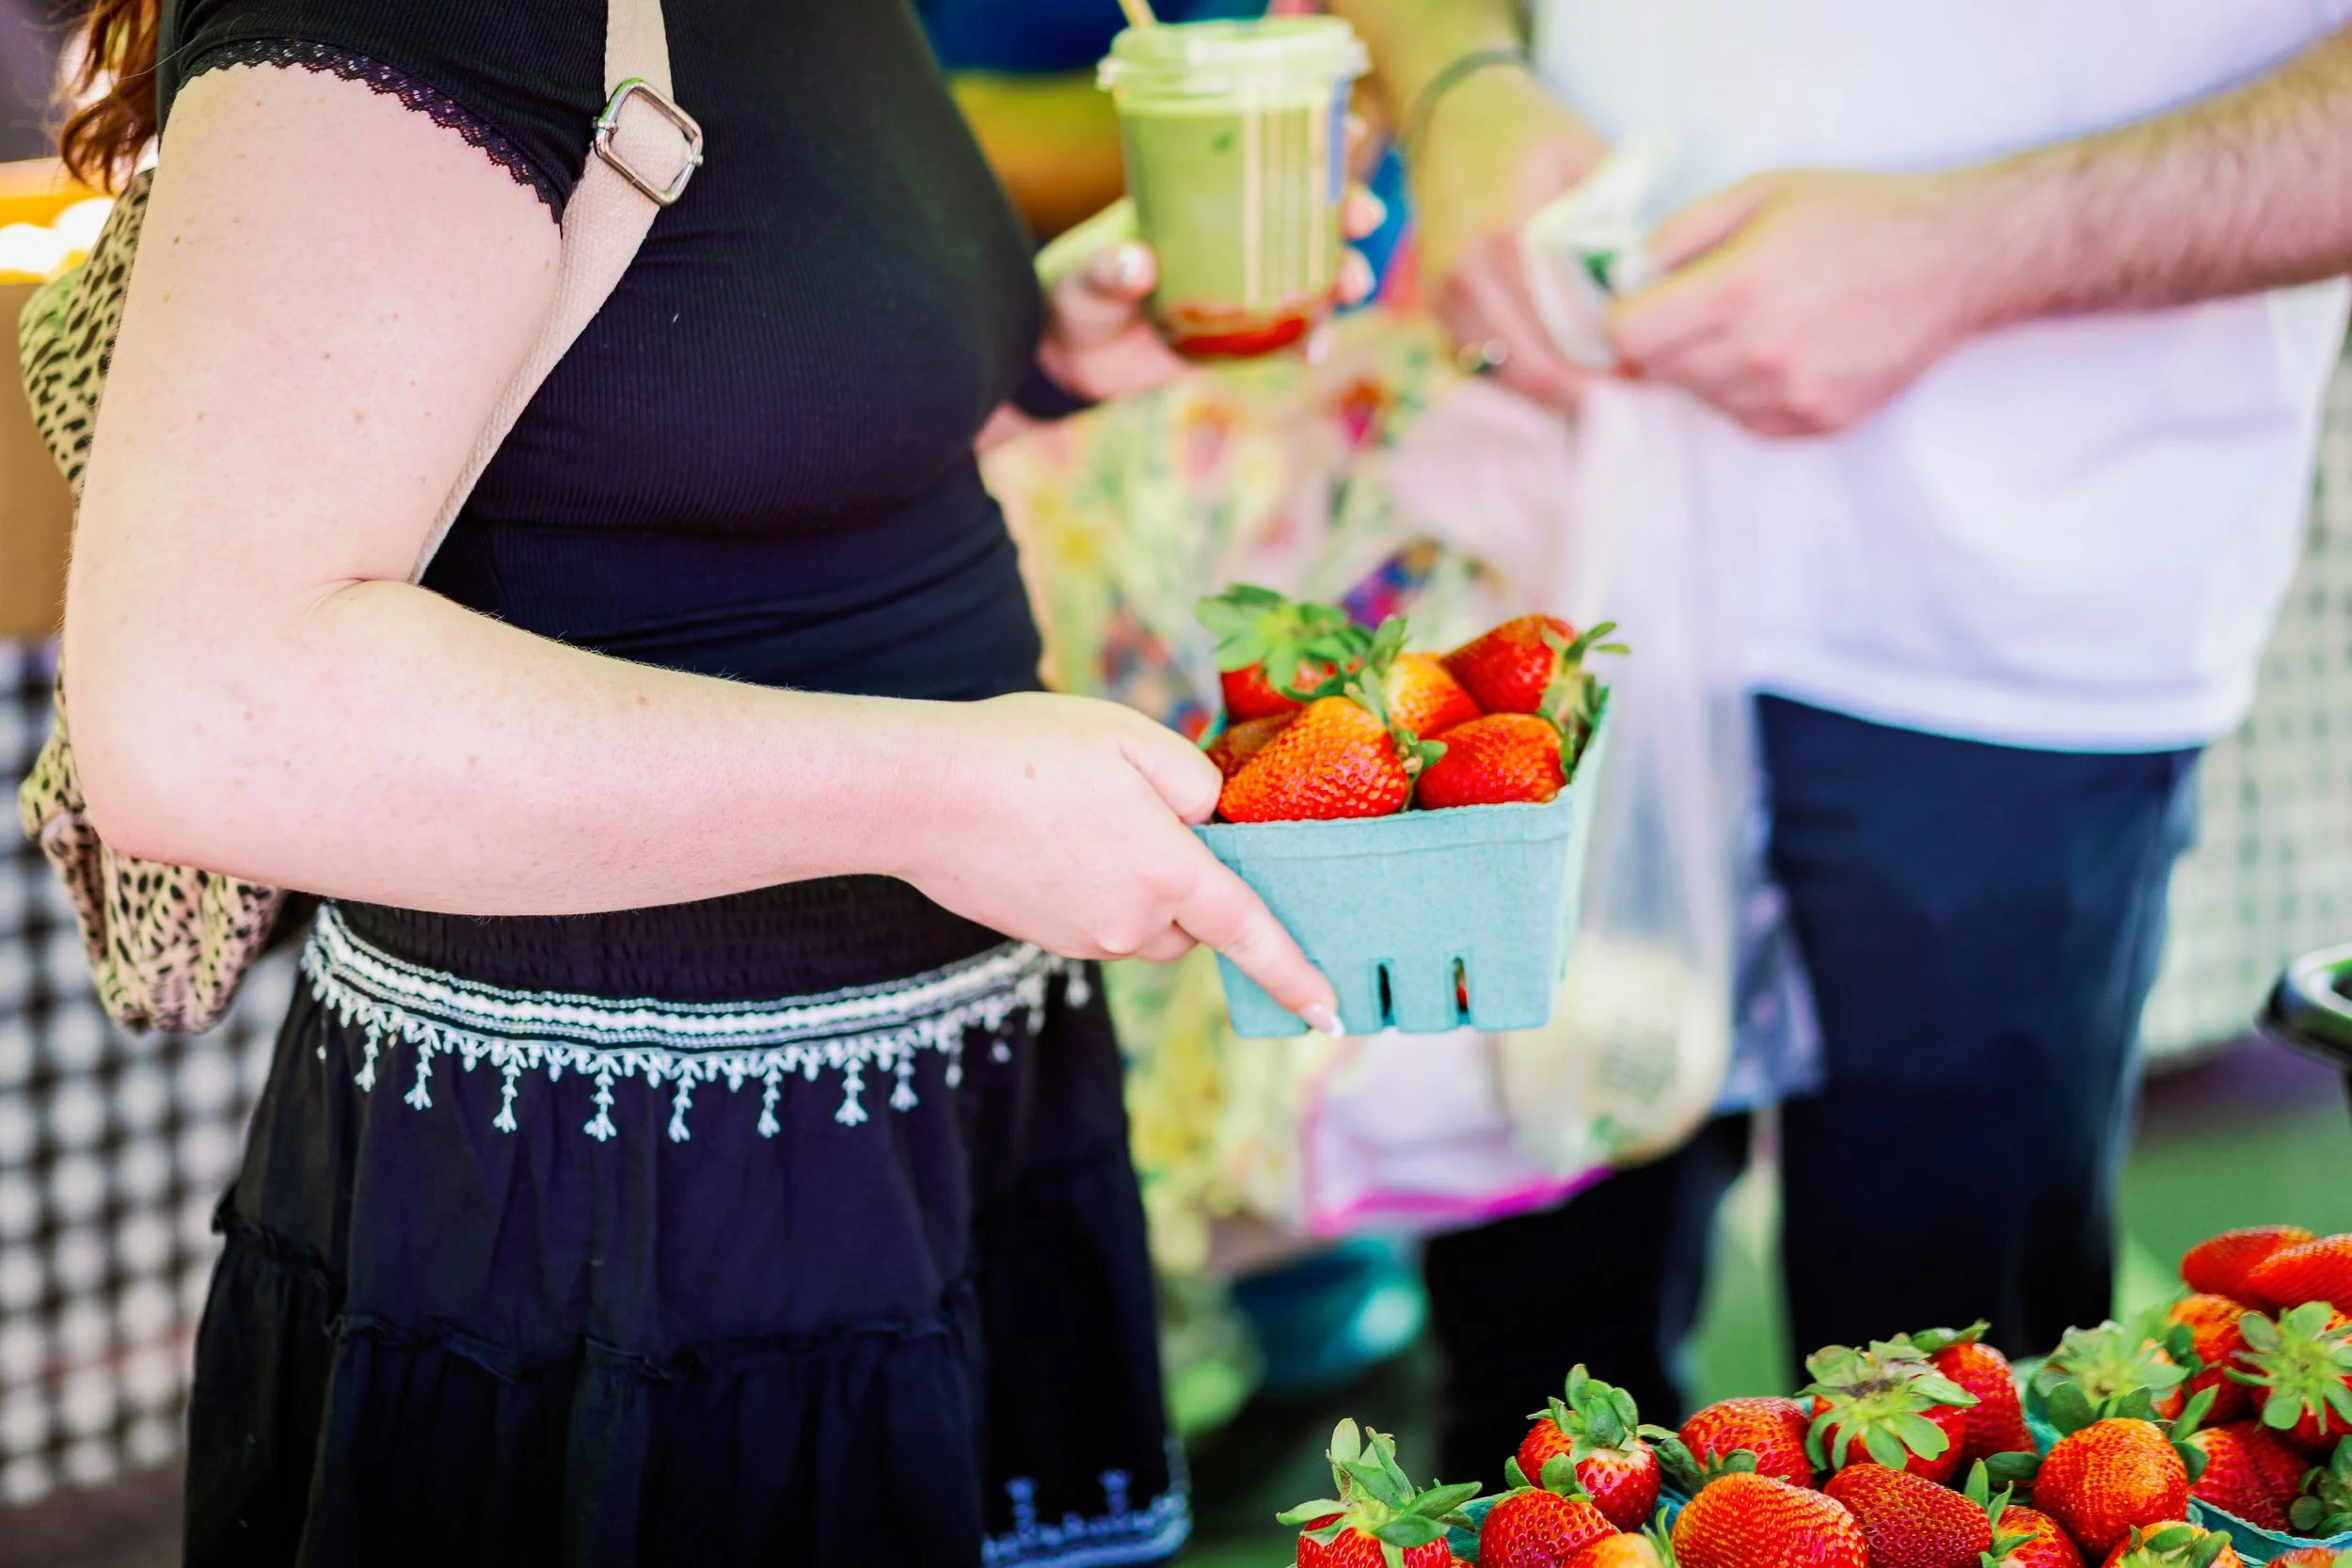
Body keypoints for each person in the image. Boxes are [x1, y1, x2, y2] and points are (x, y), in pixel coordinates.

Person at [49, 0, 1375, 1561]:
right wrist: (936, 795)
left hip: (923, 1126)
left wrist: (1027, 351)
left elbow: (665, 414)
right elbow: (206, 715)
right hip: (625, 1214)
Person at [1331, 0, 2352, 1478]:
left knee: (1950, 1439)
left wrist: (1976, 246)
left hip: (2023, 610)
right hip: (1559, 547)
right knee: (1527, 1433)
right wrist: (1461, 78)